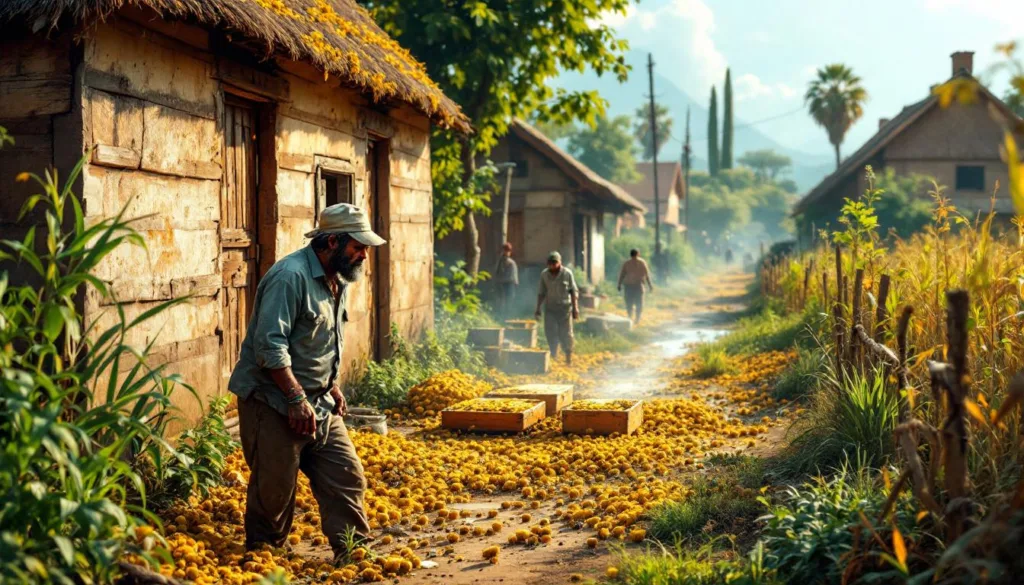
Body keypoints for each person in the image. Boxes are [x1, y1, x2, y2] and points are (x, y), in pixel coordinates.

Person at [228, 203, 385, 562]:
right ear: (331, 242)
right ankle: (264, 557)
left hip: (319, 402)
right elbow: (270, 346)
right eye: (358, 247)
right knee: (275, 491)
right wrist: (296, 397)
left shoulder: (338, 278)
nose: (364, 255)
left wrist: (330, 384)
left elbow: (319, 342)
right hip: (273, 401)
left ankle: (353, 550)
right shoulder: (290, 277)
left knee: (346, 475)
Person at [534, 251, 579, 365]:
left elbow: (573, 292)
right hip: (550, 308)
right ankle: (554, 355)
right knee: (550, 332)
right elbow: (541, 293)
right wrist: (538, 308)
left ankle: (568, 356)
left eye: (555, 263)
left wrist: (575, 308)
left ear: (560, 263)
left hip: (564, 309)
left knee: (566, 333)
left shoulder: (567, 274)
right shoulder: (544, 275)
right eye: (550, 263)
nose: (552, 266)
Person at [617, 249, 653, 324]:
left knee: (629, 303)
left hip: (629, 286)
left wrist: (619, 284)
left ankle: (630, 317)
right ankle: (637, 319)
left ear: (630, 254)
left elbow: (622, 274)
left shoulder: (627, 263)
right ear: (638, 254)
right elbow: (647, 275)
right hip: (638, 286)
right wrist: (650, 285)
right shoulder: (642, 262)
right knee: (639, 303)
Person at [493, 242, 519, 317]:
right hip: (501, 283)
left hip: (509, 283)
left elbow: (514, 275)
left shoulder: (511, 262)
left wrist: (515, 283)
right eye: (505, 250)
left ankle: (508, 316)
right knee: (501, 301)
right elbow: (496, 271)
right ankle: (501, 316)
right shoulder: (500, 261)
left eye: (508, 250)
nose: (507, 252)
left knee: (509, 301)